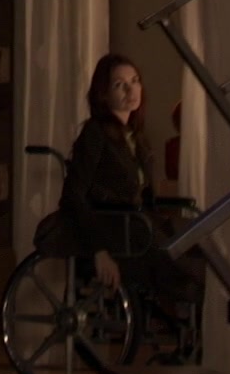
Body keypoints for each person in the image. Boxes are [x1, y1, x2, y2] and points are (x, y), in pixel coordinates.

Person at [60, 54, 196, 305]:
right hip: (118, 232)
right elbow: (73, 196)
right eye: (119, 84)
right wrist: (99, 251)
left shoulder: (136, 137)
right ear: (103, 94)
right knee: (190, 267)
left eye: (134, 81)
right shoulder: (94, 133)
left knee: (206, 239)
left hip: (142, 224)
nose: (130, 90)